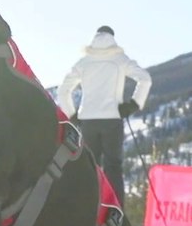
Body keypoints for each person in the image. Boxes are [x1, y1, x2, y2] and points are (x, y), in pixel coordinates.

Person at [57, 25, 152, 204]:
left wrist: (72, 114)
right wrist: (133, 105)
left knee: (89, 167)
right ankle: (116, 213)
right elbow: (145, 78)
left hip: (88, 121)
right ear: (113, 38)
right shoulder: (119, 59)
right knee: (113, 167)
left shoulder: (84, 62)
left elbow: (63, 90)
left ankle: (87, 208)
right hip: (112, 119)